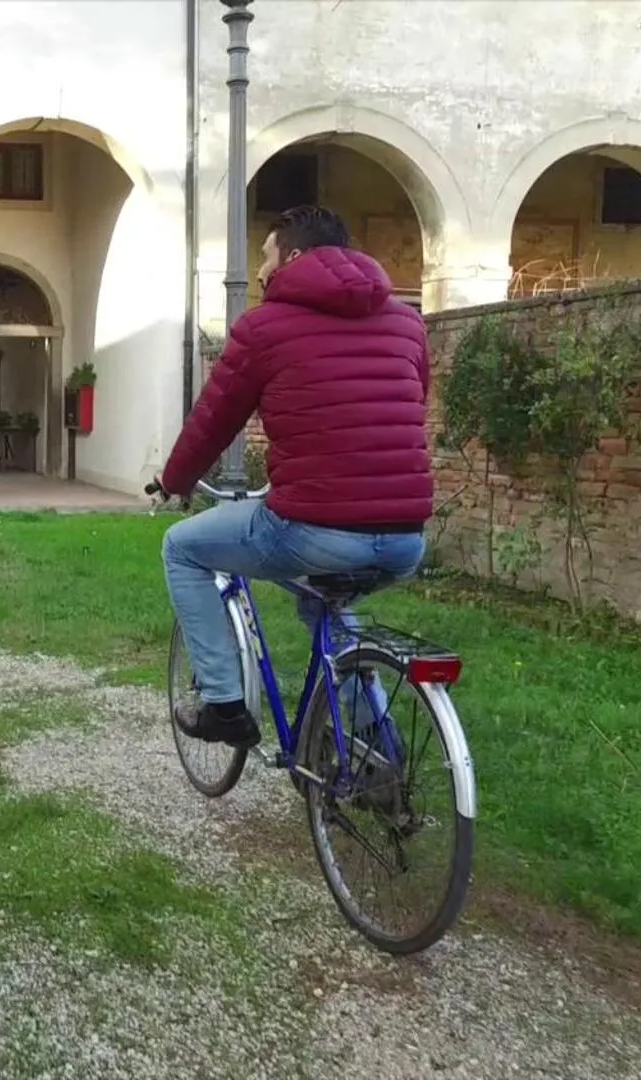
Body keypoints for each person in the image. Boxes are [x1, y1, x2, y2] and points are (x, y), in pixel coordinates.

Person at [153, 205, 433, 749]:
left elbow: (214, 419)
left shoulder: (265, 327)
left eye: (266, 255)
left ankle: (223, 705)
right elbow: (413, 399)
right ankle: (380, 752)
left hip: (316, 527)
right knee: (322, 607)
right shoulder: (406, 320)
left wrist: (175, 480)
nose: (260, 271)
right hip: (406, 537)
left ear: (294, 255)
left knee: (182, 548)